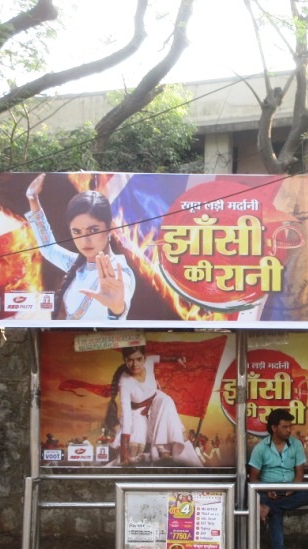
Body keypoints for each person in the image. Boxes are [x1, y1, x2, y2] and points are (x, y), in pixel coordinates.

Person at [25, 173, 136, 321]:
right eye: (77, 232)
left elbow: (121, 302)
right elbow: (49, 248)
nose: (85, 240)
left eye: (93, 230)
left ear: (109, 228)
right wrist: (33, 200)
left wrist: (117, 309)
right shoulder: (77, 265)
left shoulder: (118, 271)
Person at [104, 346, 203, 467]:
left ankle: (165, 452)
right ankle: (159, 453)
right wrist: (124, 450)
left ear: (144, 358)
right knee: (135, 446)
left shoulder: (149, 361)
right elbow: (128, 416)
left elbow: (162, 358)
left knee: (167, 401)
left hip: (155, 400)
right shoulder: (124, 382)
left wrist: (176, 359)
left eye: (139, 359)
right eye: (130, 360)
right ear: (125, 360)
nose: (135, 364)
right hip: (137, 411)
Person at [247, 408, 308, 549]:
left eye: (290, 427)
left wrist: (293, 488)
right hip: (268, 491)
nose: (289, 430)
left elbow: (300, 473)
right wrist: (267, 489)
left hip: (291, 490)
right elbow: (253, 478)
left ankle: (271, 508)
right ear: (274, 428)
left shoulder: (296, 444)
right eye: (285, 427)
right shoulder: (261, 448)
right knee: (270, 505)